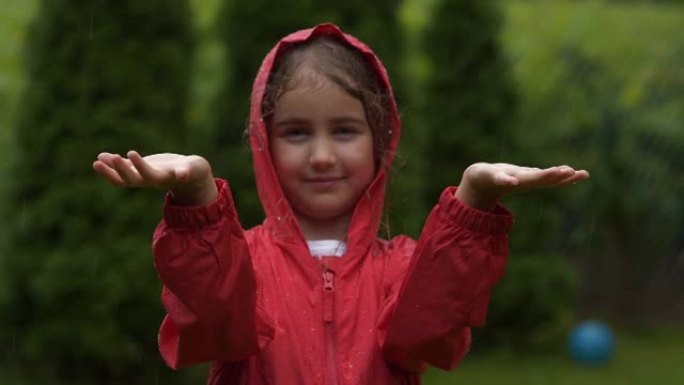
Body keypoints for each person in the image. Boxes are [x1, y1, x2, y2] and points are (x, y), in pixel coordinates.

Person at [93, 24, 588, 385]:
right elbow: (218, 327)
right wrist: (197, 199)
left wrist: (473, 203)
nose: (323, 156)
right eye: (296, 133)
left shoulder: (405, 266)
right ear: (264, 143)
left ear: (381, 141)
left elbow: (426, 336)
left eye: (345, 131)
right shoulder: (240, 260)